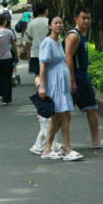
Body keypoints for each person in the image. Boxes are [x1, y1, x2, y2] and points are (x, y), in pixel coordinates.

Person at [64, 7, 103, 149]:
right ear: (76, 19)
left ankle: (96, 140)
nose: (86, 21)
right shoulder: (74, 35)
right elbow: (68, 58)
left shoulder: (82, 35)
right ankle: (49, 143)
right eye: (83, 18)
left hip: (83, 79)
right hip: (74, 80)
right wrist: (71, 81)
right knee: (63, 113)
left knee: (92, 108)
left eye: (88, 18)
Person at [37, 15, 83, 161]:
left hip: (61, 85)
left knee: (56, 117)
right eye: (55, 23)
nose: (58, 25)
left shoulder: (59, 42)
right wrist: (42, 86)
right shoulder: (47, 42)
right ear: (50, 26)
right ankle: (68, 149)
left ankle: (47, 149)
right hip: (54, 84)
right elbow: (43, 65)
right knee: (65, 115)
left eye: (60, 23)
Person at [24, 2, 49, 85]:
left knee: (37, 75)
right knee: (48, 75)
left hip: (35, 53)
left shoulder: (31, 23)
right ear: (46, 11)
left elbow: (29, 40)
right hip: (49, 53)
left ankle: (39, 90)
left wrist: (28, 52)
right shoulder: (50, 22)